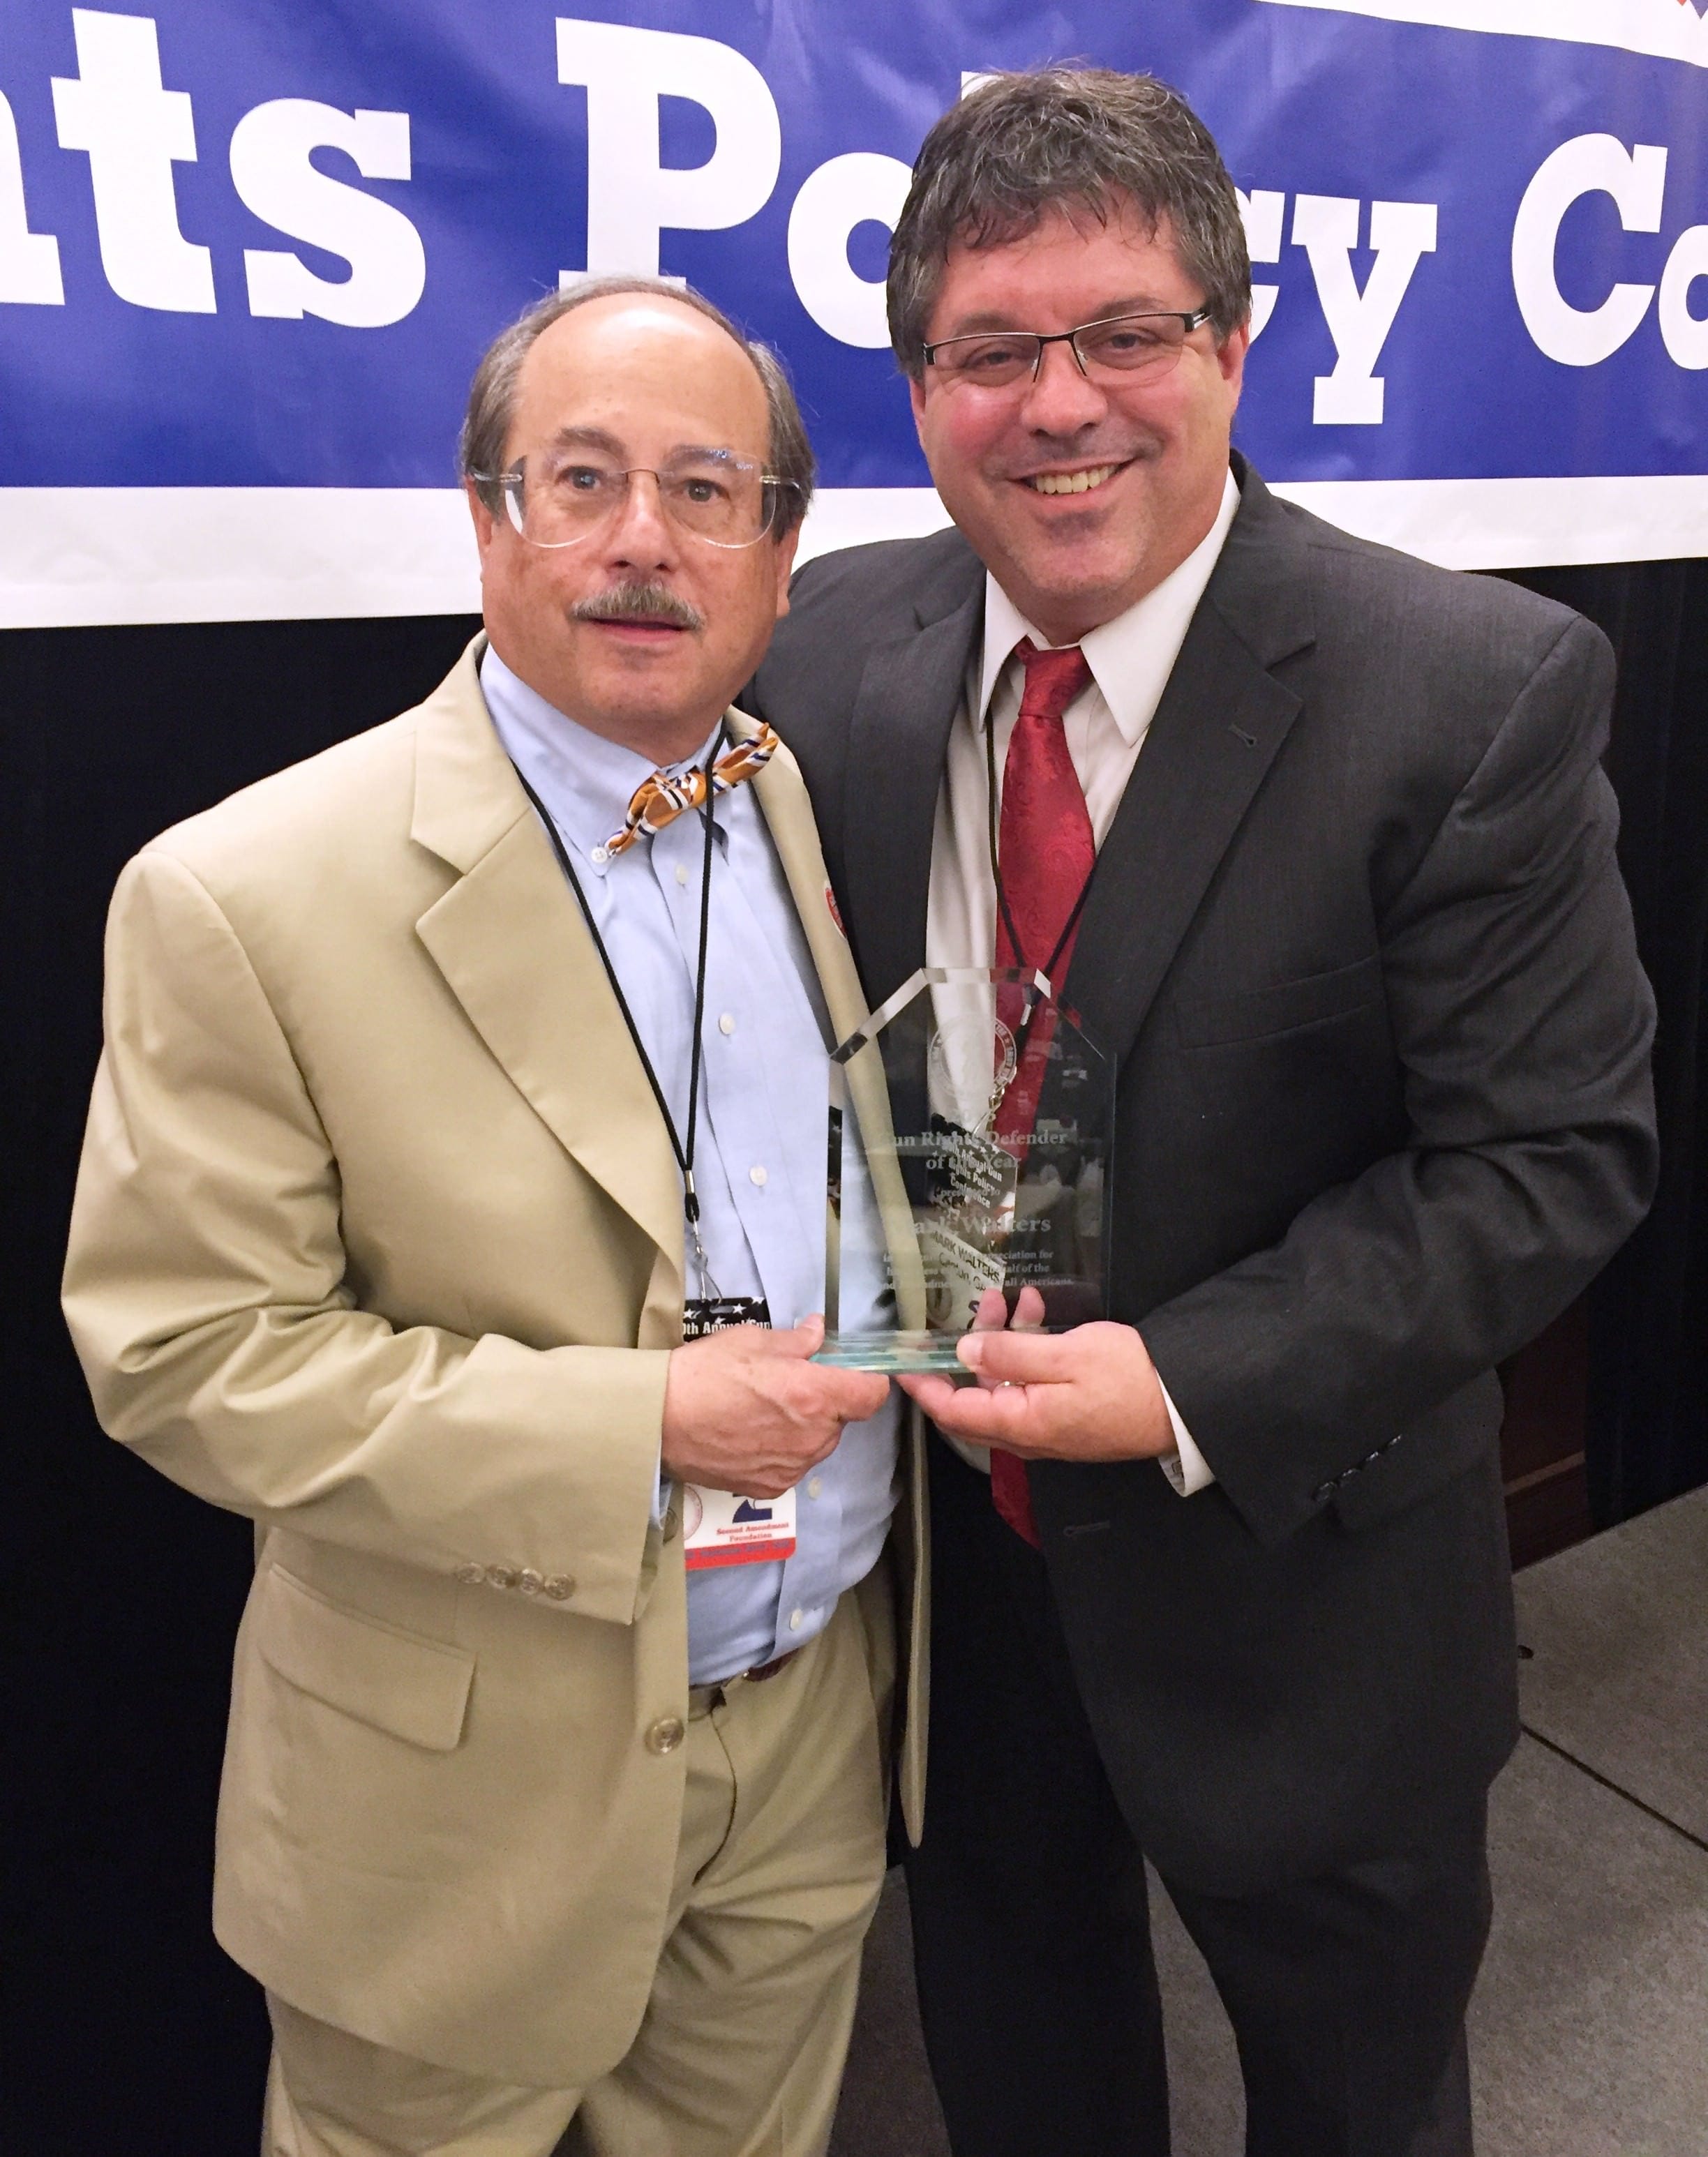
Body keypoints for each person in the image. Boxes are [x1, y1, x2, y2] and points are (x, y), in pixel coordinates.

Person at [746, 68, 1658, 2157]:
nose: (1060, 402)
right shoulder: (829, 650)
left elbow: (1552, 1159)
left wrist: (1178, 1375)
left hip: (1303, 1584)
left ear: (1230, 351)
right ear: (921, 386)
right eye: (994, 348)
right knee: (1022, 2063)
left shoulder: (1468, 693)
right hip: (961, 1592)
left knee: (1357, 2100)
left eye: (1126, 334)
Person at [61, 276, 920, 2157]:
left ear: (781, 551)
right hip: (459, 1802)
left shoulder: (799, 797)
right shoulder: (239, 893)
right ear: (482, 517)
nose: (642, 539)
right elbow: (189, 1357)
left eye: (709, 488)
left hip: (802, 1739)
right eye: (580, 477)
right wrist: (644, 1429)